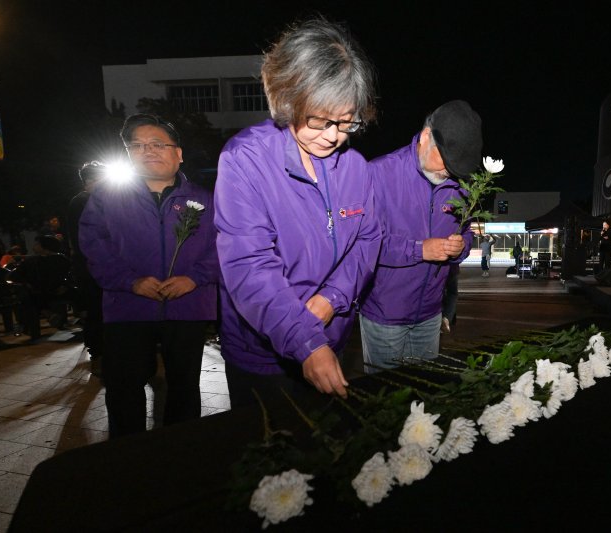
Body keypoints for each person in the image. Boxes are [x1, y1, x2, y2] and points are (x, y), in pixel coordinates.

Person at [214, 17, 381, 406]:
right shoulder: (245, 160)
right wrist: (303, 337)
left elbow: (367, 240)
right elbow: (249, 264)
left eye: (346, 121)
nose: (334, 136)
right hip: (262, 351)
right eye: (320, 120)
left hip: (331, 336)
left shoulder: (355, 167)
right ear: (288, 99)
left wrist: (332, 298)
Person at [80, 114, 219, 438]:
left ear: (178, 153)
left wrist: (194, 279)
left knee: (184, 387)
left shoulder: (205, 199)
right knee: (124, 387)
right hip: (128, 306)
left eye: (158, 144)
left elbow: (224, 246)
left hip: (187, 306)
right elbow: (93, 246)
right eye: (137, 145)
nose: (148, 151)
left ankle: (179, 450)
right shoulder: (106, 198)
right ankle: (127, 455)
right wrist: (130, 281)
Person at [359, 100, 481, 370]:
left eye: (456, 169)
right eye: (446, 162)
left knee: (424, 396)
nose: (448, 173)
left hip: (429, 316)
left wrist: (460, 247)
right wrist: (419, 250)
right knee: (387, 399)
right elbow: (362, 243)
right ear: (427, 136)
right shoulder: (378, 174)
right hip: (384, 316)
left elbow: (467, 231)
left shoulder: (459, 186)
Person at [67, 161, 106, 378]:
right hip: (89, 265)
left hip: (99, 264)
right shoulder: (81, 201)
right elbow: (83, 239)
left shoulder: (99, 200)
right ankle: (98, 353)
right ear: (91, 180)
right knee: (95, 309)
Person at [441, 264, 460, 334]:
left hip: (439, 269)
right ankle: (448, 318)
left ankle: (443, 316)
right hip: (452, 268)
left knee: (440, 292)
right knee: (452, 293)